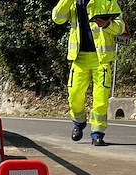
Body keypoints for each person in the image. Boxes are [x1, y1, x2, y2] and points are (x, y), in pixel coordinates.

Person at [52, 0, 125, 146]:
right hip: (79, 58)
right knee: (74, 94)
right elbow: (57, 18)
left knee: (101, 98)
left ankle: (97, 133)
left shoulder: (108, 1)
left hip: (101, 58)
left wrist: (108, 25)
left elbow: (121, 28)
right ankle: (79, 123)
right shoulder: (72, 2)